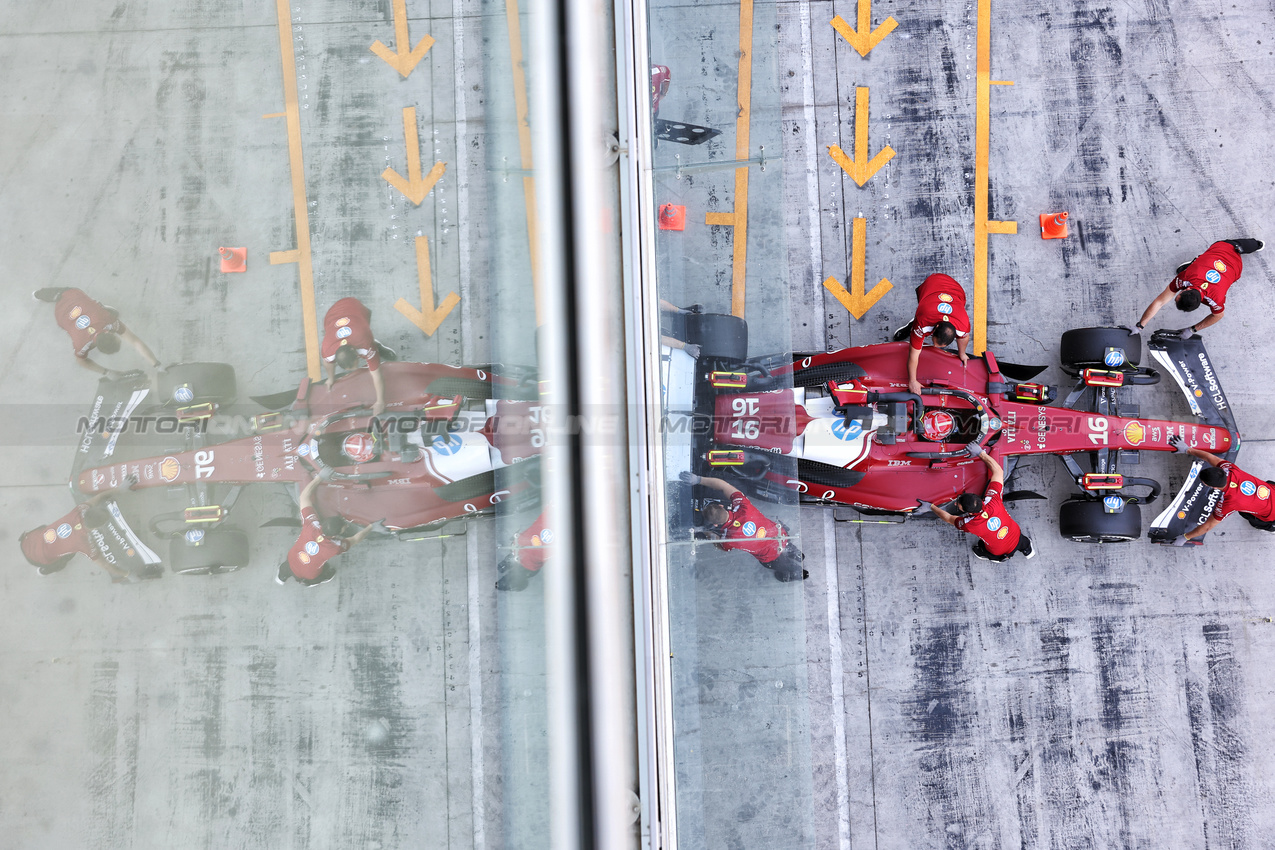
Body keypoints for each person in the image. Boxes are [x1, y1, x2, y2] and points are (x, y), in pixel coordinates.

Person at [679, 472, 807, 582]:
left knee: (782, 566)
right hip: (780, 535)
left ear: (715, 524)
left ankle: (798, 573)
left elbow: (721, 546)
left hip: (771, 556)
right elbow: (724, 486)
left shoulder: (729, 538)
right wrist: (698, 479)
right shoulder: (742, 506)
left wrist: (707, 533)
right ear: (722, 506)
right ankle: (797, 554)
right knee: (786, 544)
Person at [1132, 239, 1263, 338]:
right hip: (1226, 249)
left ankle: (1257, 244)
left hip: (1229, 260)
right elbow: (1218, 315)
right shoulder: (1191, 280)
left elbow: (1160, 302)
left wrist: (1140, 326)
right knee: (1251, 245)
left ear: (1186, 289)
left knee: (1199, 263)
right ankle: (1257, 245)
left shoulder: (1186, 278)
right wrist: (1192, 330)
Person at [928, 449, 1035, 561]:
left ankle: (987, 555)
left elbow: (949, 518)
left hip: (999, 553)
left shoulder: (969, 524)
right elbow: (998, 471)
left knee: (982, 547)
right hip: (1016, 536)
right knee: (1021, 541)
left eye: (958, 504)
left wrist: (931, 507)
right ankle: (1027, 548)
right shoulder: (994, 500)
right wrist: (980, 453)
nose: (955, 503)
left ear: (969, 512)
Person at [1167, 435, 1275, 544]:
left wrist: (1185, 537)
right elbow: (1209, 457)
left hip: (1272, 516)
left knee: (1249, 516)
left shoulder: (1229, 503)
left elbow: (1208, 526)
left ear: (1214, 487)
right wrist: (1187, 449)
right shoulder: (1230, 469)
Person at [33, 287, 161, 377]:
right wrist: (156, 364)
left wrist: (107, 372)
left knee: (106, 310)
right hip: (66, 306)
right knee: (112, 313)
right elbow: (135, 341)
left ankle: (37, 294)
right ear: (109, 332)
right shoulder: (106, 321)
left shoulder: (102, 323)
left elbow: (81, 360)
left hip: (65, 307)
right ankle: (39, 294)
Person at [277, 474, 376, 586]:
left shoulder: (310, 524)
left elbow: (303, 497)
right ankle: (316, 580)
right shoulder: (334, 548)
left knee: (288, 567)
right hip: (309, 575)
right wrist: (372, 527)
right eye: (345, 527)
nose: (347, 527)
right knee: (326, 572)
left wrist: (320, 476)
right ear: (337, 534)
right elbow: (355, 539)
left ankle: (282, 576)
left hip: (291, 560)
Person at [19, 490, 136, 583]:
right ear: (95, 528)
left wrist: (120, 489)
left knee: (53, 537)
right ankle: (44, 571)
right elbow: (105, 564)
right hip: (39, 558)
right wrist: (127, 574)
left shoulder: (79, 511)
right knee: (64, 559)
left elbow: (98, 497)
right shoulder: (84, 545)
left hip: (28, 540)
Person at [892, 274, 971, 395]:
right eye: (933, 340)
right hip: (932, 284)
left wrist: (962, 353)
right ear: (936, 327)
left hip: (955, 289)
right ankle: (911, 326)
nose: (934, 347)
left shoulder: (963, 324)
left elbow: (964, 337)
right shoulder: (923, 320)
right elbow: (913, 355)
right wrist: (912, 381)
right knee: (918, 320)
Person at [321, 297, 388, 416]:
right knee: (368, 345)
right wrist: (330, 378)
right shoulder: (327, 348)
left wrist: (380, 401)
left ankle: (375, 347)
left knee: (369, 345)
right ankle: (374, 350)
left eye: (357, 363)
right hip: (332, 314)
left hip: (355, 307)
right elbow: (327, 363)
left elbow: (377, 375)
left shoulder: (364, 341)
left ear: (357, 354)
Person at [495, 509, 552, 592]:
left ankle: (513, 569)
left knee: (524, 554)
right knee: (525, 555)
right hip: (526, 552)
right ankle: (513, 570)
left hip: (525, 550)